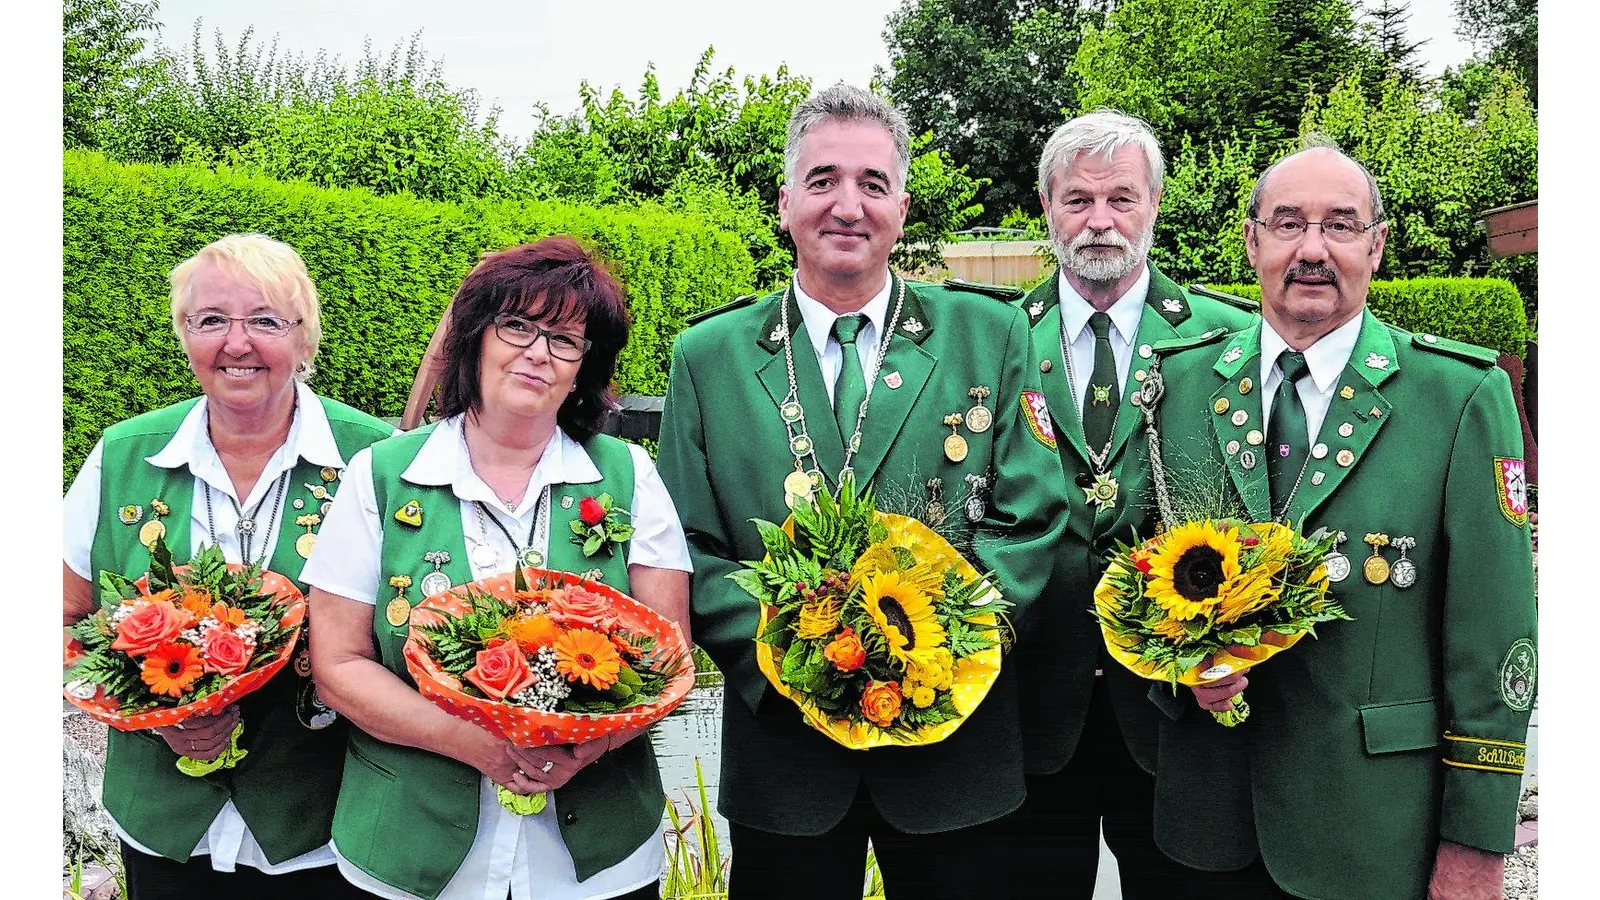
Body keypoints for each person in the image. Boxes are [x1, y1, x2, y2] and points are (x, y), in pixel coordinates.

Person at [656, 83, 1069, 900]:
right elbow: (684, 547)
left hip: (952, 751)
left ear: (902, 210)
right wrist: (797, 654)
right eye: (824, 180)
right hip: (788, 759)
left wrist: (945, 651)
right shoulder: (708, 356)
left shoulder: (989, 334)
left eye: (873, 184)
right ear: (785, 203)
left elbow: (1033, 518)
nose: (848, 206)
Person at [1137, 138, 1536, 900]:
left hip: (1372, 834)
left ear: (1376, 246)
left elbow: (1496, 648)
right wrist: (1178, 670)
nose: (1312, 250)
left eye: (1341, 225)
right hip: (1205, 824)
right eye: (1288, 224)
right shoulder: (1178, 383)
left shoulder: (1455, 398)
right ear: (1252, 242)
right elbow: (1138, 573)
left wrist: (1476, 849)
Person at [303, 235, 691, 900]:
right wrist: (479, 745)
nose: (538, 352)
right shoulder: (382, 475)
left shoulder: (629, 475)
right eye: (517, 326)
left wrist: (586, 747)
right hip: (406, 851)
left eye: (565, 340)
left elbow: (667, 656)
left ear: (584, 366)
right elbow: (338, 665)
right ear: (476, 338)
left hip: (597, 864)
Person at [62, 233, 394, 899]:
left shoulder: (375, 459)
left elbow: (402, 641)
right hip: (163, 829)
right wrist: (150, 711)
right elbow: (63, 617)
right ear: (185, 334)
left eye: (266, 321)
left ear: (304, 337)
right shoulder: (124, 454)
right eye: (211, 319)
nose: (236, 343)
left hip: (324, 831)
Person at [988, 110, 1256, 899]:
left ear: (1155, 204)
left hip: (1182, 709)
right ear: (1047, 207)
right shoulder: (999, 338)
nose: (1099, 221)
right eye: (1078, 200)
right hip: (1034, 705)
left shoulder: (1230, 338)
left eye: (1121, 199)